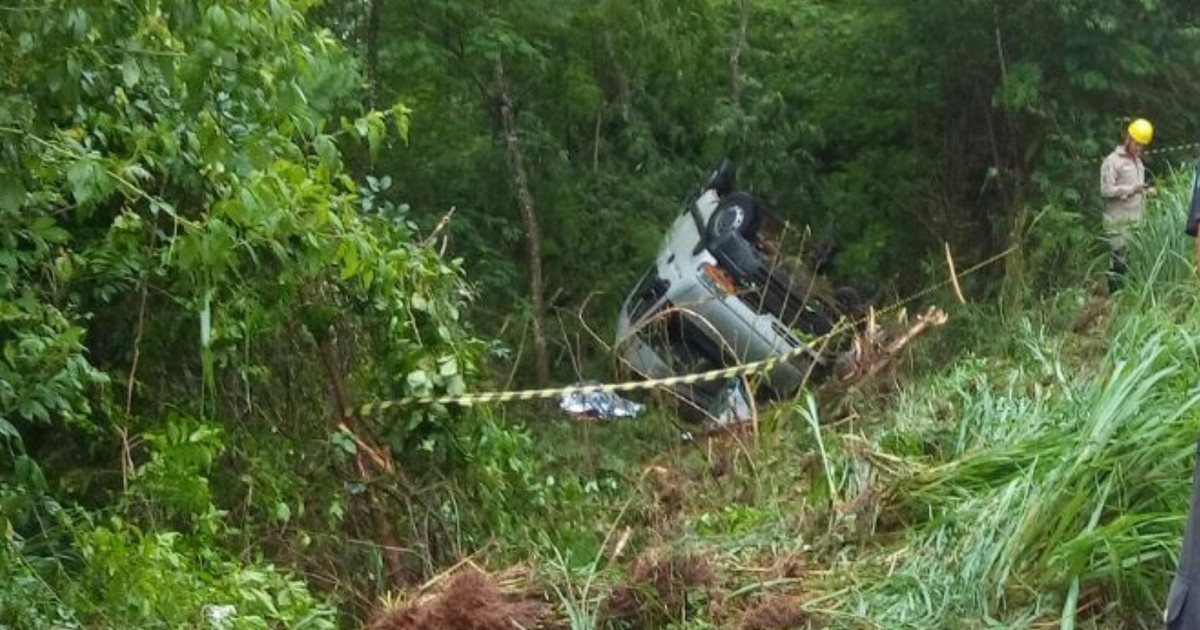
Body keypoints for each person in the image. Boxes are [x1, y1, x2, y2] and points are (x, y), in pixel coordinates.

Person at [1100, 118, 1155, 292]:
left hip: (1136, 222)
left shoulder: (1138, 163)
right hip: (1118, 222)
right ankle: (1113, 298)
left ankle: (1126, 299)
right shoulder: (1113, 161)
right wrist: (1132, 188)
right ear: (1129, 138)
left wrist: (1146, 191)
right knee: (1118, 263)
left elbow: (1137, 189)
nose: (1139, 149)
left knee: (1131, 263)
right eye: (1137, 144)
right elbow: (1106, 190)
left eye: (1142, 146)